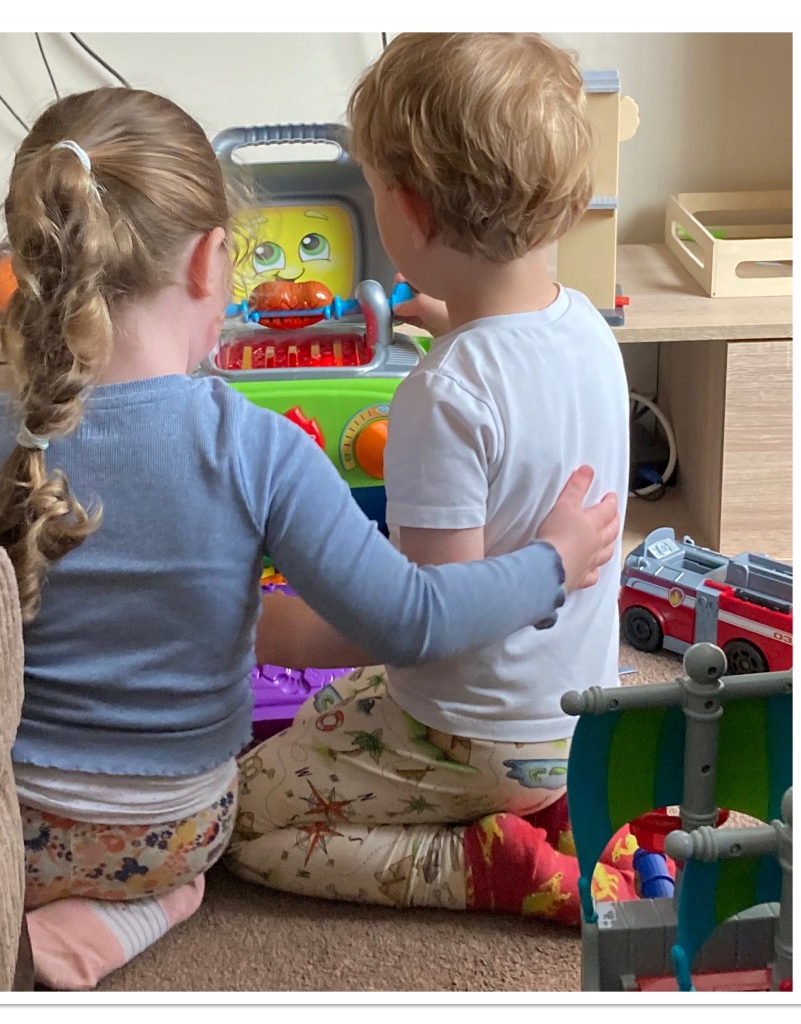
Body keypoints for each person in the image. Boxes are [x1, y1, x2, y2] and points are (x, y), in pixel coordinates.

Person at [0, 86, 618, 989]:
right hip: (179, 831)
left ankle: (96, 917)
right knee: (241, 833)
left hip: (12, 832)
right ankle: (148, 900)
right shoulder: (258, 447)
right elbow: (413, 619)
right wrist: (553, 562)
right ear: (213, 262)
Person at [226, 33, 636, 925]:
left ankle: (481, 866)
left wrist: (272, 629)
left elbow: (425, 623)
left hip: (477, 733)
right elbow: (516, 378)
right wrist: (457, 319)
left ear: (407, 215)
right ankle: (552, 805)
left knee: (241, 818)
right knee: (336, 715)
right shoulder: (589, 334)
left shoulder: (442, 394)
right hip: (577, 718)